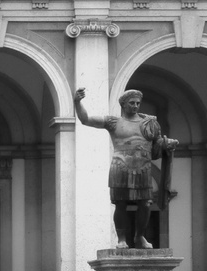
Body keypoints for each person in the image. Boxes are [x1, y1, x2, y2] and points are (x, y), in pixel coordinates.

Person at [74, 87, 181, 248]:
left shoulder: (149, 123)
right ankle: (121, 239)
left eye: (138, 103)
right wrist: (77, 101)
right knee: (121, 204)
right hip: (120, 166)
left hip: (143, 167)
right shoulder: (113, 122)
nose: (135, 106)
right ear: (123, 104)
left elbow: (157, 144)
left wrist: (167, 143)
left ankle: (140, 237)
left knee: (145, 203)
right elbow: (86, 119)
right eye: (132, 103)